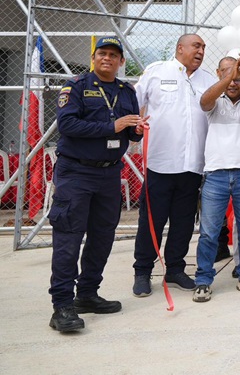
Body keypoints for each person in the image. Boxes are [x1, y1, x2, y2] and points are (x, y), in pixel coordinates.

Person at [48, 36, 146, 333]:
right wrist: (111, 126)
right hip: (76, 172)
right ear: (93, 58)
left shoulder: (126, 91)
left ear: (121, 61)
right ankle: (62, 306)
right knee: (69, 238)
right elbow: (67, 125)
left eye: (113, 55)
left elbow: (130, 132)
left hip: (109, 174)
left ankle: (87, 294)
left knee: (102, 237)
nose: (107, 58)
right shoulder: (76, 86)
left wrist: (137, 130)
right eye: (102, 53)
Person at [132, 33, 217, 297]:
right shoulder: (157, 72)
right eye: (196, 46)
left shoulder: (208, 81)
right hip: (160, 162)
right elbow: (133, 103)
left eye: (203, 47)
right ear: (180, 48)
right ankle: (142, 272)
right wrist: (134, 123)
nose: (201, 51)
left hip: (193, 165)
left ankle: (175, 269)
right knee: (152, 222)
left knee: (183, 222)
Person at [192, 52, 240, 302]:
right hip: (216, 174)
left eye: (238, 78)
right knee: (209, 232)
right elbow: (204, 101)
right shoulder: (214, 102)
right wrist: (230, 75)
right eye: (227, 74)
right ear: (218, 74)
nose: (234, 82)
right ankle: (203, 280)